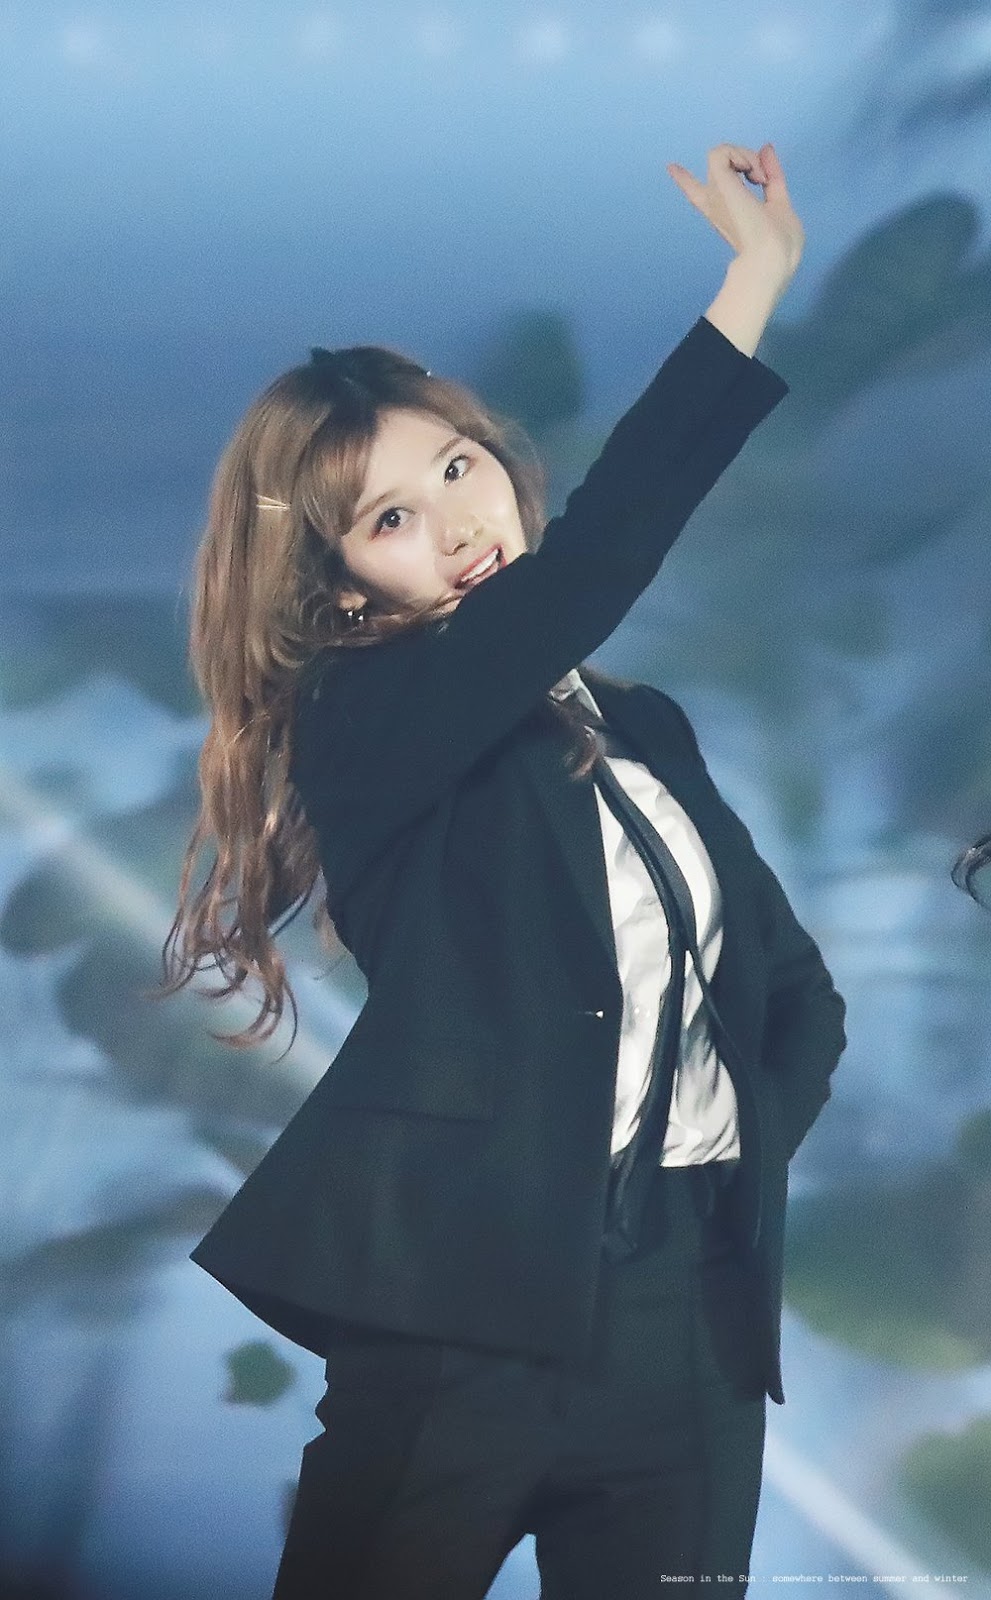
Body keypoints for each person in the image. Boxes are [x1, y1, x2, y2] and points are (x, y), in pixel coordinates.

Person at [163, 142, 847, 1599]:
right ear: (345, 586)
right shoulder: (364, 722)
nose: (459, 526)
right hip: (461, 1322)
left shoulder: (646, 728)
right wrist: (753, 283)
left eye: (458, 469)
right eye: (391, 519)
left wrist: (732, 1161)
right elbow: (588, 570)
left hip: (687, 1329)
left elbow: (796, 991)